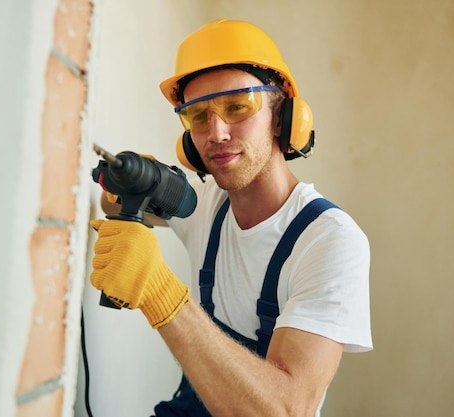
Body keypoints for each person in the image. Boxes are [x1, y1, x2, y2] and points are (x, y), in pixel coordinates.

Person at [90, 19, 372, 417]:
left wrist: (158, 292)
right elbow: (111, 206)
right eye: (198, 116)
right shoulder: (205, 204)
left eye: (237, 106)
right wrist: (131, 183)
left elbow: (286, 410)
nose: (216, 132)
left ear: (281, 117)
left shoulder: (329, 242)